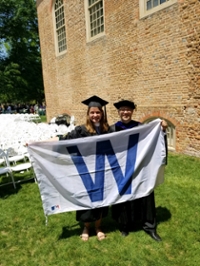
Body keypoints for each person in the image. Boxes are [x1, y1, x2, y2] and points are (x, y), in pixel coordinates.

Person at [57, 95, 113, 241]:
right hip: (85, 170)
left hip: (102, 169)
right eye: (92, 112)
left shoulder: (108, 130)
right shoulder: (80, 130)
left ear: (102, 114)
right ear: (88, 114)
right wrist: (35, 143)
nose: (95, 115)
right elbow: (63, 141)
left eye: (98, 112)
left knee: (101, 199)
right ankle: (86, 227)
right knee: (86, 200)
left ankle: (99, 226)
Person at [111, 99, 168, 241]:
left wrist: (162, 129)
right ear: (118, 112)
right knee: (123, 197)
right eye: (122, 110)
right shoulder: (112, 130)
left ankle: (149, 226)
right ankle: (124, 225)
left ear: (133, 111)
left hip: (140, 168)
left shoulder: (141, 128)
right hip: (122, 170)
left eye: (128, 109)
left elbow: (154, 142)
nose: (125, 112)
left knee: (146, 194)